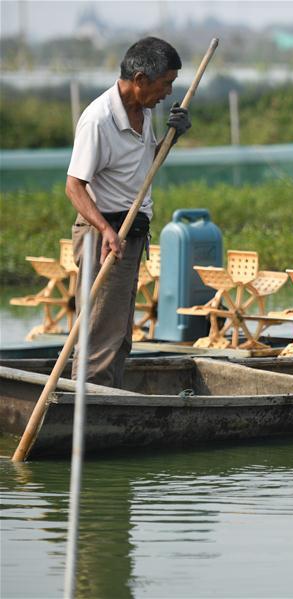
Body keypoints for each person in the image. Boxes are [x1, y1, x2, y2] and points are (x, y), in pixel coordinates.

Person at [67, 37, 191, 387]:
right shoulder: (99, 120)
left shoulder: (145, 111)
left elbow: (142, 170)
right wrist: (106, 230)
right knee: (99, 331)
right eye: (165, 83)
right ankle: (86, 404)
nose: (168, 92)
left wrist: (172, 137)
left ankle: (108, 397)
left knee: (120, 333)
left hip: (130, 233)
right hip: (104, 236)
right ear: (139, 79)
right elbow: (74, 186)